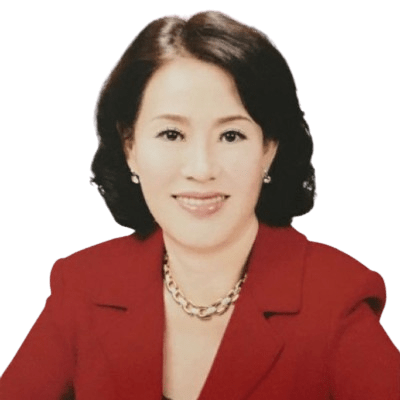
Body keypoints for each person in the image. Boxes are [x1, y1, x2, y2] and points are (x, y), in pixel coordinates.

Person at [0, 10, 399, 400]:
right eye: (172, 134)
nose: (201, 169)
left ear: (268, 149)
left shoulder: (334, 299)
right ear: (130, 147)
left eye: (231, 136)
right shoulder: (83, 286)